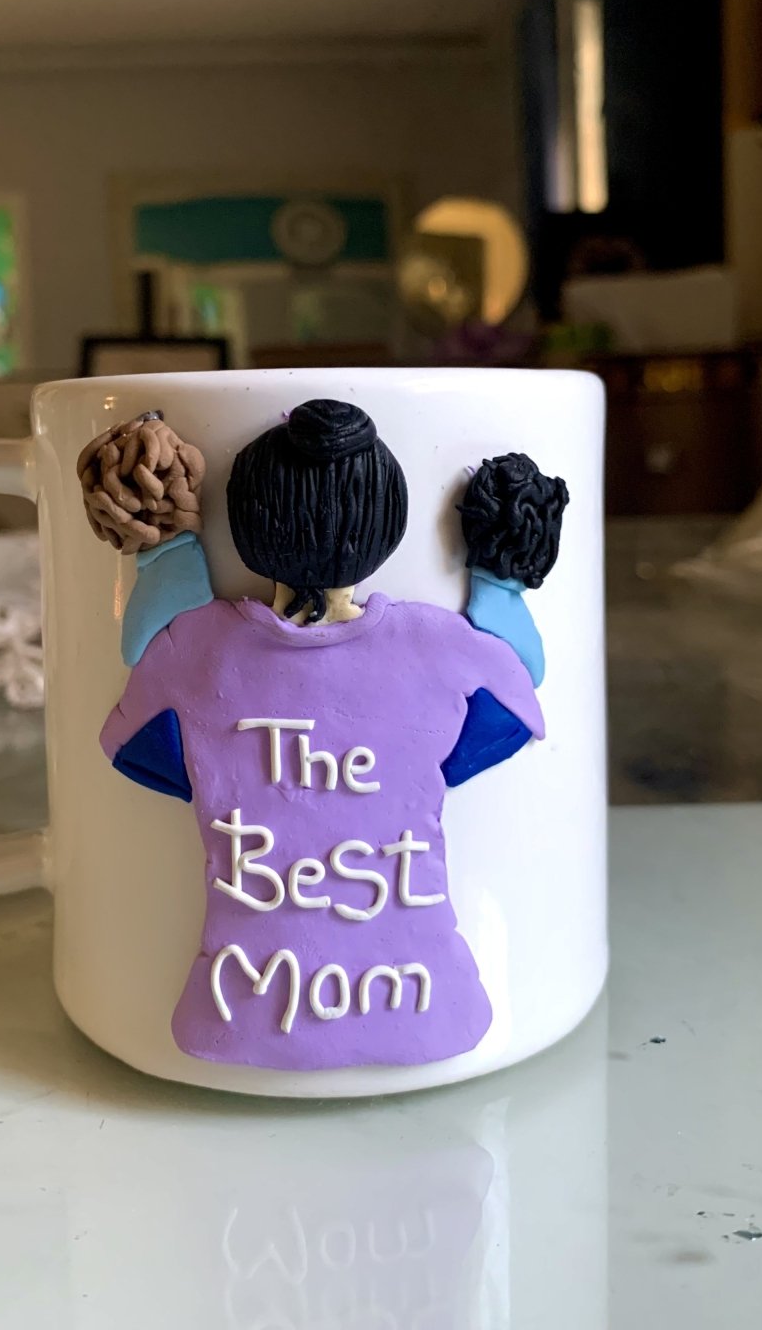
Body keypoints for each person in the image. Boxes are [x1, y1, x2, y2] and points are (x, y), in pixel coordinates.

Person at [99, 400, 552, 1070]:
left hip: (240, 1005)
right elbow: (507, 710)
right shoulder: (441, 647)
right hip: (425, 999)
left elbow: (144, 753)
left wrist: (168, 554)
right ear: (388, 526)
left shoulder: (193, 648)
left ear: (248, 526)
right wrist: (499, 580)